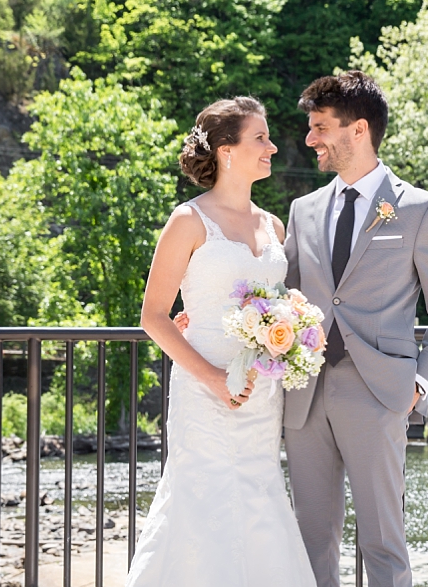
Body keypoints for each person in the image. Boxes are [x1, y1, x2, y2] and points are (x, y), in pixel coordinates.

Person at [283, 71, 428, 587]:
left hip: (380, 394)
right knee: (311, 539)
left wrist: (419, 383)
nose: (310, 138)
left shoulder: (418, 209)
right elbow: (286, 298)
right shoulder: (303, 210)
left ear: (357, 129)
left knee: (382, 542)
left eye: (320, 127)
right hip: (305, 397)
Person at [126, 97, 316, 586]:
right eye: (261, 138)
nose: (272, 147)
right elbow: (153, 316)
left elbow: (277, 305)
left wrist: (290, 336)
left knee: (261, 498)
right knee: (200, 501)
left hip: (261, 394)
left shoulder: (272, 226)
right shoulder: (188, 221)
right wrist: (211, 377)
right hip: (204, 392)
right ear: (227, 151)